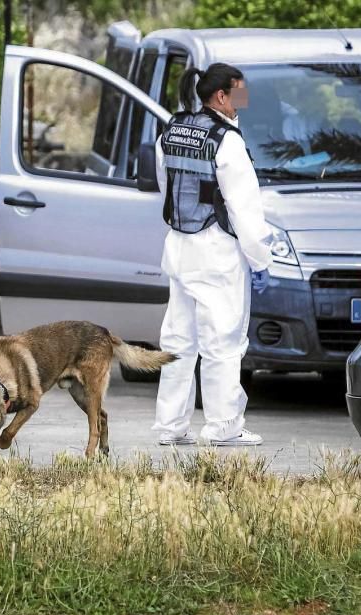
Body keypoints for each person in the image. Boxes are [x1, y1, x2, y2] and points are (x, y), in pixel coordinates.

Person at [152, 63, 274, 447]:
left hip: (179, 249)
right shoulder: (228, 141)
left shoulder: (172, 130)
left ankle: (170, 426)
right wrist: (261, 260)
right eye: (240, 92)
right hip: (218, 254)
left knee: (177, 341)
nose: (244, 100)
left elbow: (168, 187)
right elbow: (245, 209)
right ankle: (224, 427)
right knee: (222, 343)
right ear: (221, 96)